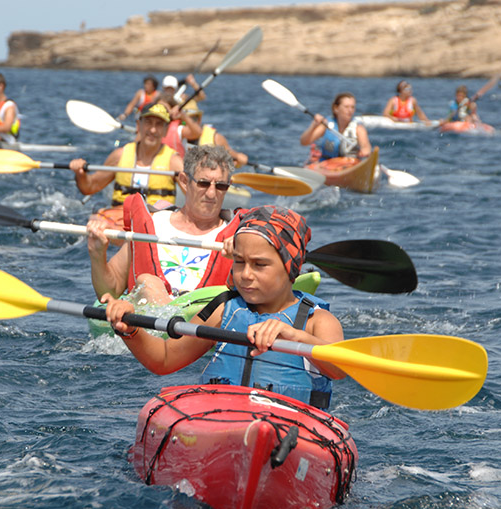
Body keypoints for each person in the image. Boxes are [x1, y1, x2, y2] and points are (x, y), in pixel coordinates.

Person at [101, 205, 346, 410]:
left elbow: (340, 368)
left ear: (291, 268)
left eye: (260, 265)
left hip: (293, 431)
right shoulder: (224, 310)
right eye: (239, 262)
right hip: (221, 421)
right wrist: (130, 329)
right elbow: (164, 360)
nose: (246, 275)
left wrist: (295, 336)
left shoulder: (317, 321)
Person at [86, 144, 239, 305]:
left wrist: (240, 258)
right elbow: (110, 292)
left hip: (203, 321)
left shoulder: (237, 237)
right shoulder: (152, 225)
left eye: (221, 186)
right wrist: (97, 255)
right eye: (203, 183)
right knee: (148, 282)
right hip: (149, 321)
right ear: (184, 181)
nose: (211, 193)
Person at [70, 102, 183, 216]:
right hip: (120, 222)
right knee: (96, 223)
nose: (153, 130)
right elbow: (89, 187)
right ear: (138, 125)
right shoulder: (119, 156)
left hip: (156, 225)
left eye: (159, 124)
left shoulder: (174, 162)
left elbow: (195, 194)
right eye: (148, 122)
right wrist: (80, 174)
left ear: (166, 130)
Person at [299, 92, 371, 163]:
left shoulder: (358, 128)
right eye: (346, 107)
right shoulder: (327, 125)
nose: (350, 110)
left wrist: (364, 151)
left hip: (349, 164)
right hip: (327, 165)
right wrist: (313, 125)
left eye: (352, 107)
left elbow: (366, 147)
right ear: (336, 108)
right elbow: (304, 142)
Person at [184, 102, 248, 167]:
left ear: (199, 119)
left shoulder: (216, 138)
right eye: (184, 121)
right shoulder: (175, 136)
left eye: (193, 119)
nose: (189, 124)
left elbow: (231, 154)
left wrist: (237, 156)